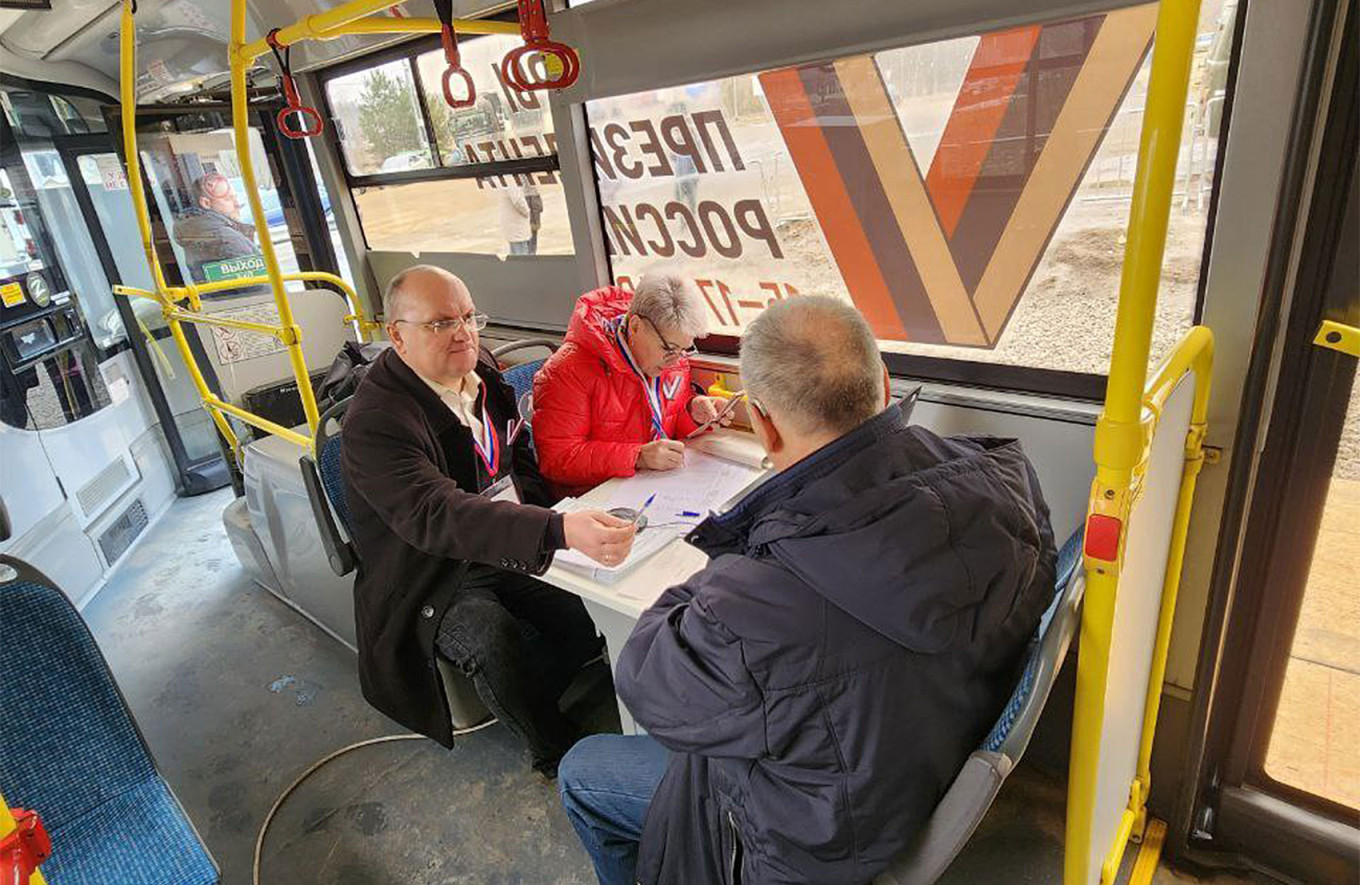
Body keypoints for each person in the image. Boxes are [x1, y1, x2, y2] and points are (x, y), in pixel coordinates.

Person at [558, 296, 1058, 884]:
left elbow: (647, 679)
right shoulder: (1005, 476)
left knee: (582, 771)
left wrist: (737, 555)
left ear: (763, 423)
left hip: (815, 838)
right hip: (923, 756)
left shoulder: (762, 600)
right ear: (885, 384)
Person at [341, 265, 637, 777]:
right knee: (492, 639)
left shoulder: (483, 379)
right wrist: (556, 532)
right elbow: (436, 514)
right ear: (397, 335)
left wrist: (550, 515)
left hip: (499, 537)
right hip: (430, 571)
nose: (463, 332)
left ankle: (527, 693)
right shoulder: (376, 422)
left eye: (469, 317)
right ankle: (556, 752)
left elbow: (516, 460)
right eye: (439, 323)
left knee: (585, 611)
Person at [532, 271, 733, 497]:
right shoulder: (567, 371)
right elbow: (557, 459)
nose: (676, 360)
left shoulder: (671, 358)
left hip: (653, 484)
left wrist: (692, 411)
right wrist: (636, 456)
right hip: (594, 499)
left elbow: (666, 418)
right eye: (669, 349)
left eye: (684, 349)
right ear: (635, 326)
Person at [171, 172, 262, 287]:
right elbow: (261, 288)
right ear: (206, 203)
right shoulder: (227, 238)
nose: (237, 204)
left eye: (235, 197)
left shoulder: (193, 232)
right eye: (228, 199)